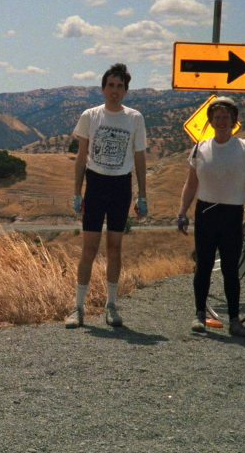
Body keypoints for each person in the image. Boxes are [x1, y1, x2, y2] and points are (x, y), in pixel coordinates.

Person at [65, 63, 148, 329]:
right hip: (96, 185)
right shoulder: (90, 115)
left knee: (115, 247)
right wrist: (76, 192)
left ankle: (111, 306)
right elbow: (81, 156)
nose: (114, 90)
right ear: (103, 88)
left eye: (119, 86)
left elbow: (140, 158)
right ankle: (78, 307)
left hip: (121, 187)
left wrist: (142, 195)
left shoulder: (135, 118)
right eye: (110, 85)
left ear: (126, 90)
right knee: (89, 249)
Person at [176, 96, 245, 339]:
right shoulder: (200, 148)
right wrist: (181, 212)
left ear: (234, 121)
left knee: (230, 270)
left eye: (226, 117)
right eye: (217, 117)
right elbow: (191, 183)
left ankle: (235, 320)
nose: (221, 121)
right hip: (205, 213)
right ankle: (199, 314)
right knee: (203, 266)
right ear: (211, 121)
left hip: (232, 214)